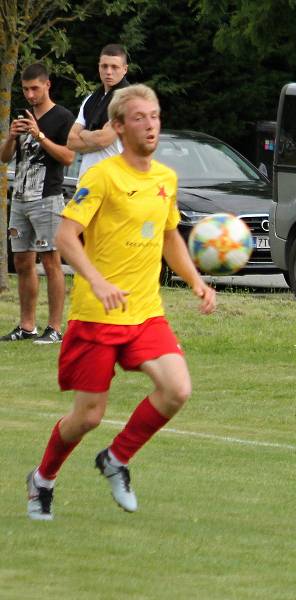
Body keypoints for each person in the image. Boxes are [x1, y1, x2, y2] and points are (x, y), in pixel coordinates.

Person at [25, 84, 217, 521]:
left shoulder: (165, 179)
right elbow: (64, 237)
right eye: (139, 118)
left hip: (146, 311)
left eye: (155, 116)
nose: (150, 124)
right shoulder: (103, 176)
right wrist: (97, 281)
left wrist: (195, 281)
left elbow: (170, 237)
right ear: (117, 126)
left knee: (177, 389)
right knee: (87, 417)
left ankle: (116, 458)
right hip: (98, 313)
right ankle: (42, 479)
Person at [1, 63, 75, 344]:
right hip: (19, 199)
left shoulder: (62, 117)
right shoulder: (23, 116)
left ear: (47, 85)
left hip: (47, 198)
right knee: (21, 261)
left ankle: (54, 328)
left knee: (51, 261)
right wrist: (11, 136)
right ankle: (26, 325)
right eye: (25, 89)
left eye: (35, 88)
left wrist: (39, 135)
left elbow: (68, 157)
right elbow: (5, 157)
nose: (30, 94)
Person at [67, 43, 130, 177]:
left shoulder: (128, 99)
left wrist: (83, 133)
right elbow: (71, 141)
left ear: (125, 69)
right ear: (99, 67)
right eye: (104, 66)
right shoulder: (90, 100)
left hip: (115, 182)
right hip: (87, 181)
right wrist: (95, 138)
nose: (108, 71)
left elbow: (103, 140)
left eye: (114, 67)